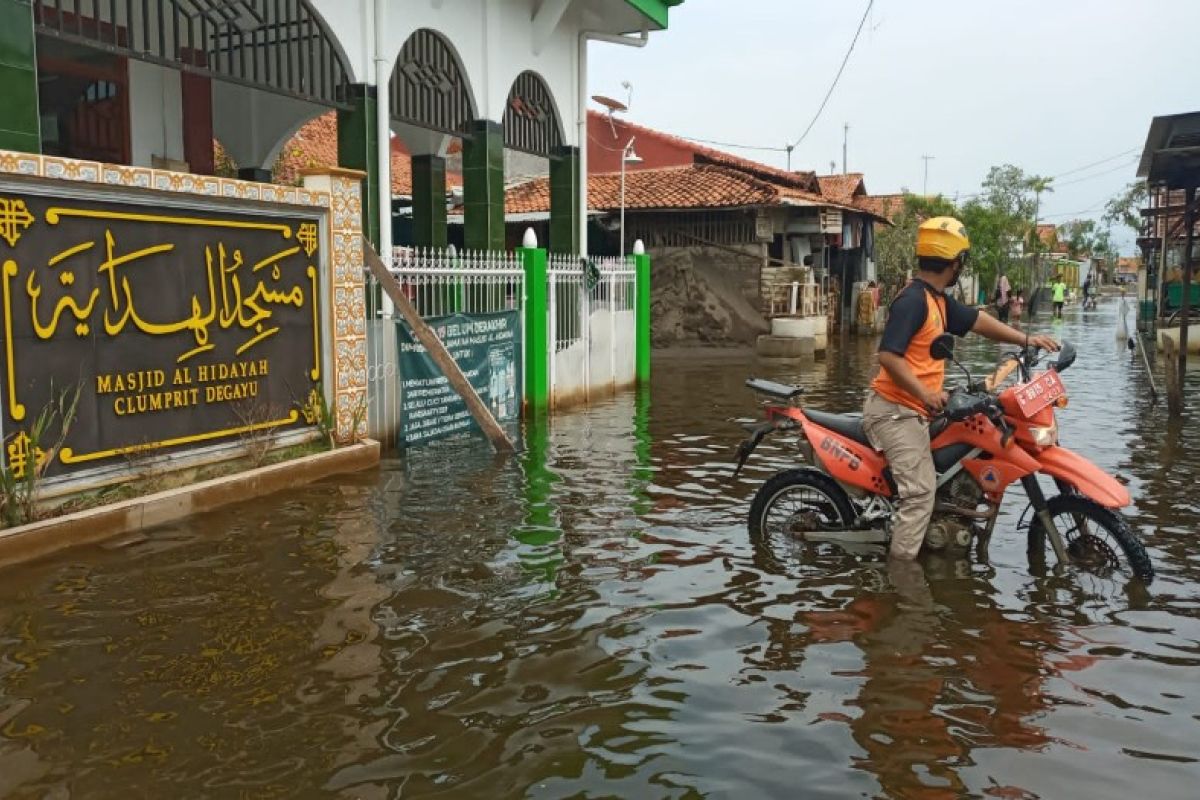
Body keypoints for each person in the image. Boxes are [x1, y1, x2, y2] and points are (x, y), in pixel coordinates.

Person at [863, 217, 1058, 561]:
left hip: (918, 409)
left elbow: (977, 321)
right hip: (895, 411)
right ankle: (901, 581)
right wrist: (924, 394)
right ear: (954, 264)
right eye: (961, 262)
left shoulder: (936, 300)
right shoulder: (913, 301)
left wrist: (1026, 338)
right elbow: (889, 357)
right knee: (920, 493)